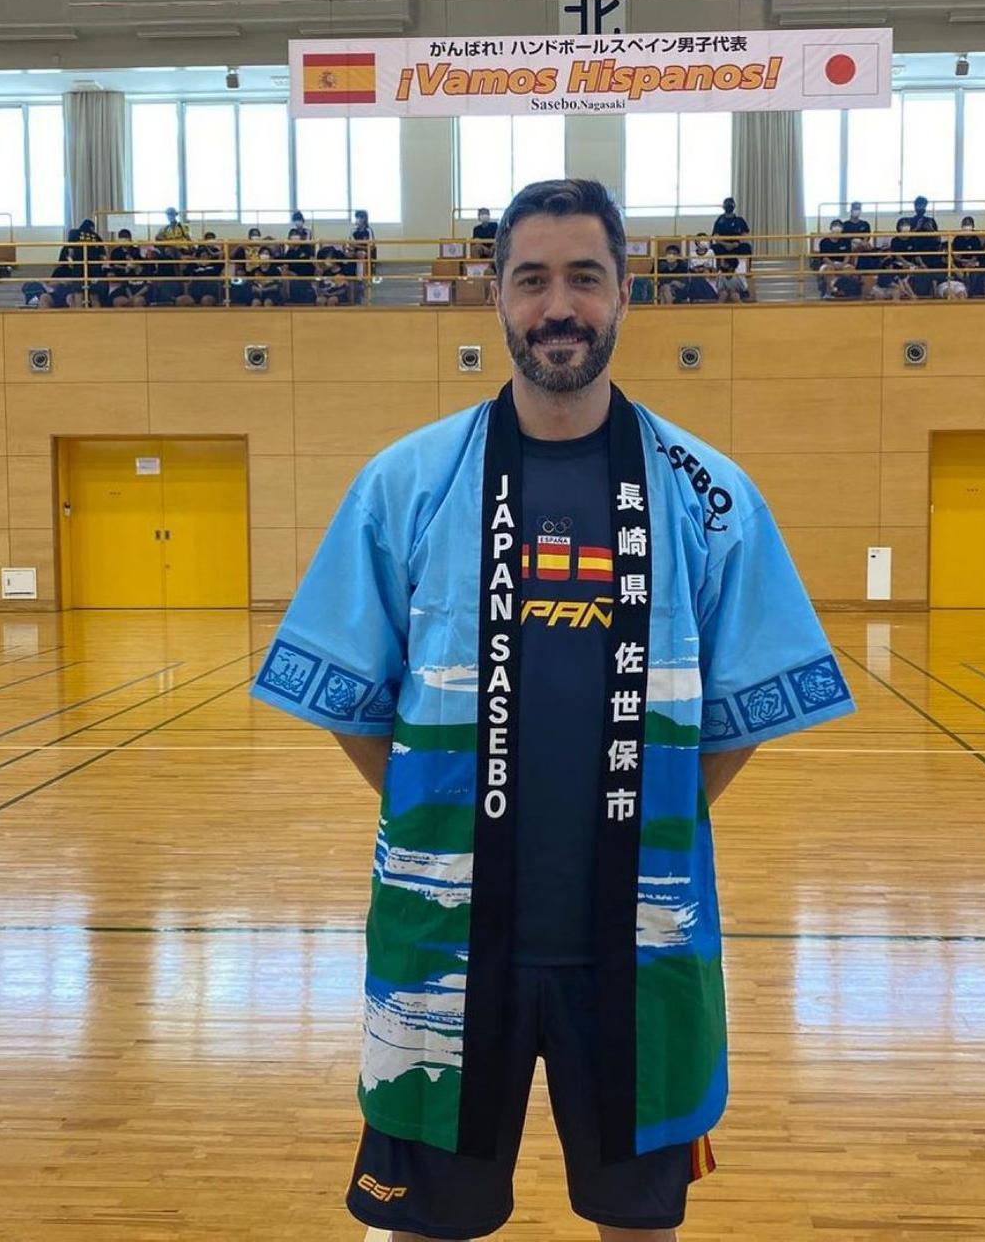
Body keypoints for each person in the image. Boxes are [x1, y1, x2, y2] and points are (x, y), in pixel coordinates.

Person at [249, 177, 855, 1242]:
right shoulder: (408, 485)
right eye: (532, 279)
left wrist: (656, 810)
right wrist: (431, 808)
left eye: (585, 277)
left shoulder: (706, 493)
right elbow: (345, 691)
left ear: (626, 295)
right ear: (496, 297)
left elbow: (748, 708)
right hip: (447, 932)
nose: (558, 306)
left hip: (639, 935)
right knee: (428, 1223)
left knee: (638, 1221)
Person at [816, 219, 856, 299]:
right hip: (828, 263)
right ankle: (829, 292)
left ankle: (844, 291)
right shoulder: (824, 241)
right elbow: (824, 257)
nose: (837, 228)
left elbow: (847, 256)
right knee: (828, 269)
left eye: (839, 226)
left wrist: (842, 264)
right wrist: (833, 265)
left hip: (843, 263)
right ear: (831, 228)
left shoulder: (846, 241)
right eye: (835, 225)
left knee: (850, 269)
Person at [711, 196, 750, 262]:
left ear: (734, 206)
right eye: (727, 204)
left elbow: (745, 236)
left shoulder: (739, 220)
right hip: (723, 246)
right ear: (723, 206)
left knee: (746, 247)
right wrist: (726, 244)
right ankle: (718, 270)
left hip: (737, 245)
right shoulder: (719, 220)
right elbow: (716, 236)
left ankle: (745, 270)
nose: (728, 206)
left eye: (730, 204)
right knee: (714, 248)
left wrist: (736, 244)